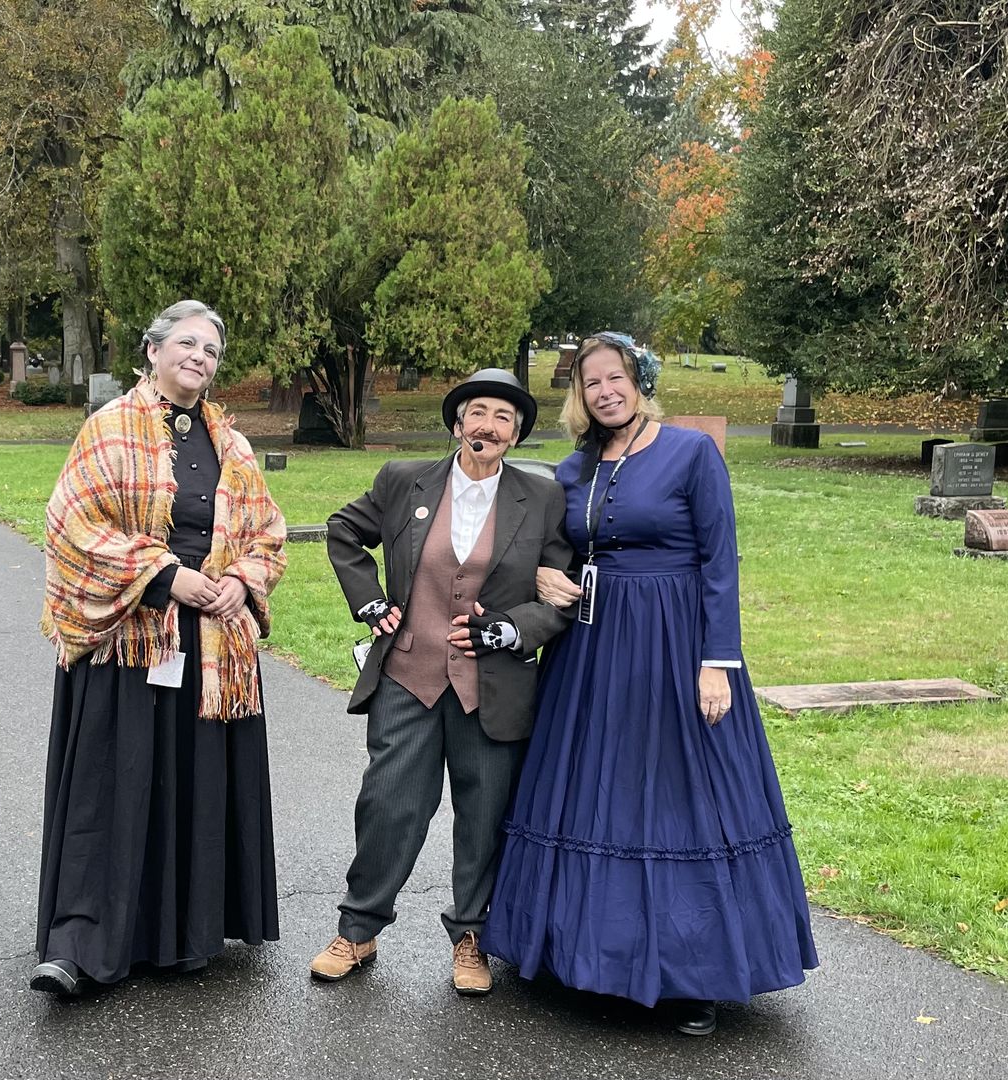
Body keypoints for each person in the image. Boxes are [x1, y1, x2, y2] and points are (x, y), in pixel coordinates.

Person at [482, 333, 819, 1035]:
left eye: (616, 378)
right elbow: (558, 550)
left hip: (672, 644)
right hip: (592, 652)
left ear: (640, 381)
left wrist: (716, 660)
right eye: (590, 382)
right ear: (579, 395)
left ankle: (691, 976)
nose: (605, 391)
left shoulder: (690, 452)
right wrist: (551, 579)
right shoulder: (574, 470)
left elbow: (720, 561)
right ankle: (597, 959)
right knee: (598, 791)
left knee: (674, 794)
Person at [32, 299, 288, 997]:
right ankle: (80, 944)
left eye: (211, 350)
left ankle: (181, 934)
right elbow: (72, 524)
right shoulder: (108, 428)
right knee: (114, 790)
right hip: (133, 640)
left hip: (212, 650)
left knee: (191, 788)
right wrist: (165, 575)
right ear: (151, 351)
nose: (200, 357)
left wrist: (240, 581)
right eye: (188, 343)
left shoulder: (229, 444)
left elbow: (268, 531)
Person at [312, 369, 576, 995]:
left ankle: (472, 936)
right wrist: (370, 602)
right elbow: (345, 531)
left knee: (484, 814)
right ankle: (358, 929)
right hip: (410, 673)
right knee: (389, 803)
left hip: (494, 686)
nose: (488, 425)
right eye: (477, 413)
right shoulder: (405, 481)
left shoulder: (541, 498)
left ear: (516, 434)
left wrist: (509, 629)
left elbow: (559, 596)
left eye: (504, 417)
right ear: (457, 424)